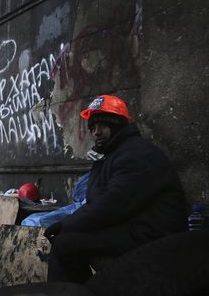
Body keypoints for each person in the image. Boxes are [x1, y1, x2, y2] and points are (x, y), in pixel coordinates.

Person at [44, 95, 186, 283]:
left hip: (154, 234)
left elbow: (111, 204)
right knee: (67, 241)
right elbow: (96, 200)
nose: (96, 132)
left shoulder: (136, 154)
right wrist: (69, 224)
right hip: (133, 228)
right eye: (93, 127)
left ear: (117, 124)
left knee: (66, 243)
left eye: (102, 125)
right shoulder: (111, 155)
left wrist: (67, 224)